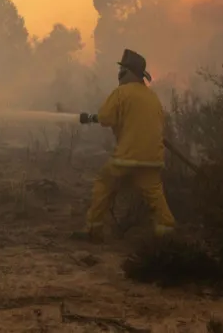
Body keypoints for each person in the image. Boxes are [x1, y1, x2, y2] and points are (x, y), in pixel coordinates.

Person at [71, 49, 176, 242]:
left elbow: (105, 117)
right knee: (155, 197)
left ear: (127, 72)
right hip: (152, 158)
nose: (119, 75)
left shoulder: (121, 93)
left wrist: (94, 118)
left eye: (122, 70)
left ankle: (94, 230)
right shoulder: (152, 97)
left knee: (104, 184)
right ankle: (166, 236)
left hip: (126, 157)